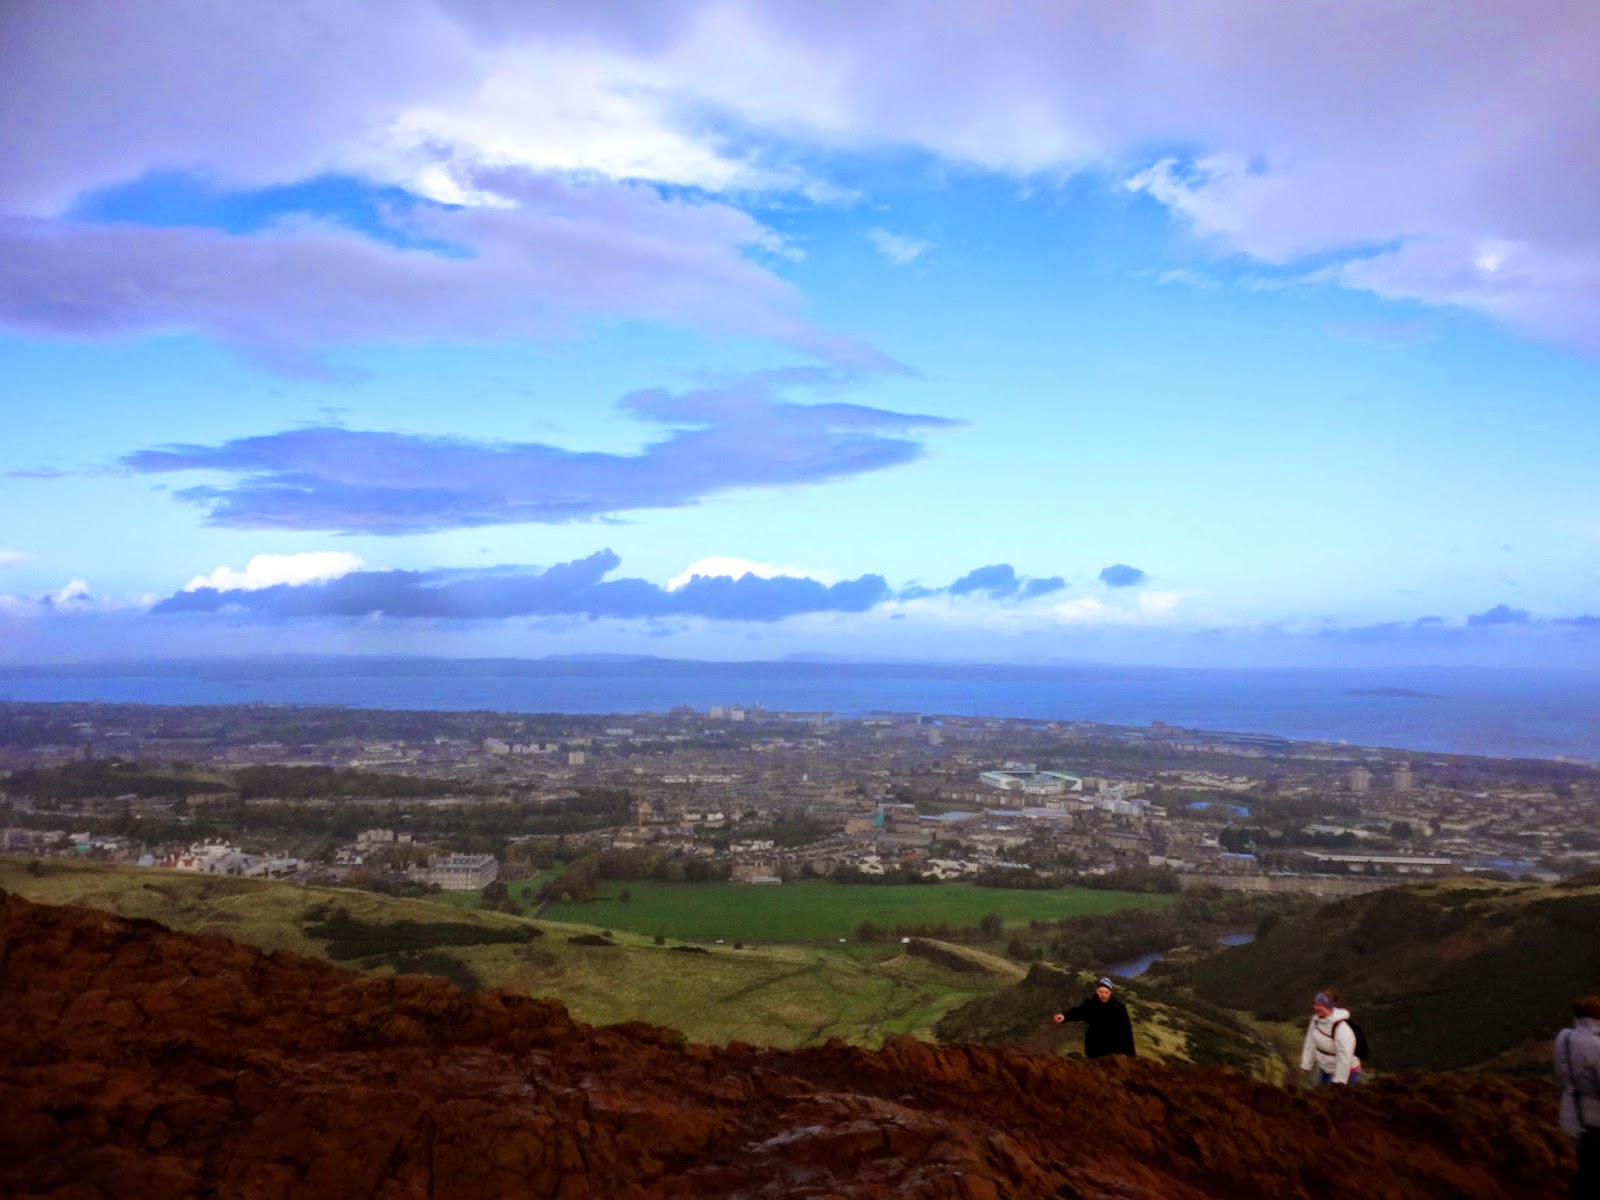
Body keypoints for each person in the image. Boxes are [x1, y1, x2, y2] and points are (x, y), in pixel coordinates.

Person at [1556, 995, 1600, 1200]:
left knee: (1586, 1169)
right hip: (1596, 1120)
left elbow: (1562, 1073)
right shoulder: (1595, 1046)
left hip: (1573, 1115)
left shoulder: (1564, 1038)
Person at [1053, 976, 1136, 1059]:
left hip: (1114, 1051)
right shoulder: (1091, 1005)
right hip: (1095, 1049)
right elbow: (1078, 1012)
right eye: (1101, 992)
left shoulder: (1119, 1008)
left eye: (1106, 992)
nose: (1103, 995)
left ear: (1110, 992)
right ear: (1097, 991)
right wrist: (1064, 1016)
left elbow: (1126, 1031)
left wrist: (1131, 1054)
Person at [1299, 989, 1361, 1086]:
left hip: (1347, 1072)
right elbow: (1310, 1042)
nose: (1315, 1007)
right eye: (1315, 1004)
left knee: (1341, 1099)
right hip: (1325, 1068)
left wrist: (1339, 1082)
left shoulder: (1341, 1028)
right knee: (1319, 1096)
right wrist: (1306, 1065)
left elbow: (1344, 1057)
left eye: (1319, 1005)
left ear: (1328, 1007)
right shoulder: (1316, 1021)